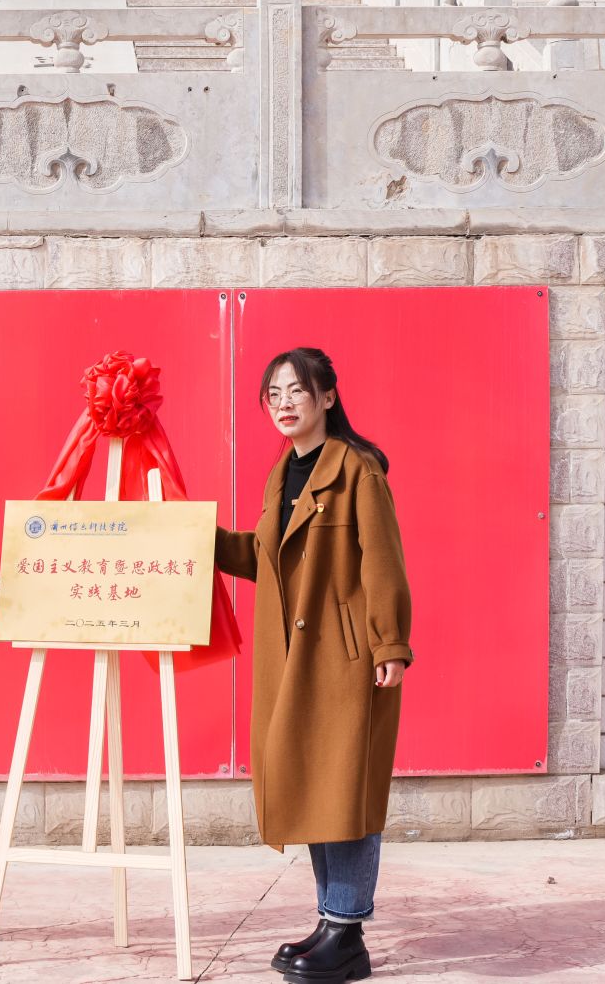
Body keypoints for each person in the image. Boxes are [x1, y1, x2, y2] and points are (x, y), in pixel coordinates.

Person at [215, 348, 412, 984]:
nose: (284, 403)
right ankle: (333, 923)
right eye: (273, 394)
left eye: (297, 390)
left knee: (345, 788)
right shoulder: (284, 473)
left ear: (328, 396)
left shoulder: (357, 469)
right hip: (293, 660)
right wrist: (201, 539)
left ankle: (346, 932)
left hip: (344, 659)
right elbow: (266, 557)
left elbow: (382, 561)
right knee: (318, 787)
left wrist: (389, 645)